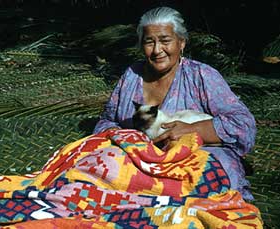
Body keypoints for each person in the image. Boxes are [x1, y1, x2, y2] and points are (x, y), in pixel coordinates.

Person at [93, 6, 257, 200]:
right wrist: (131, 141)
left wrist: (192, 129)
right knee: (92, 169)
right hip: (138, 160)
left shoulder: (202, 75)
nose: (157, 50)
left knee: (208, 178)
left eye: (165, 41)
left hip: (191, 161)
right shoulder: (131, 76)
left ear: (181, 43)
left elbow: (243, 125)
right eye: (149, 42)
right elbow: (106, 122)